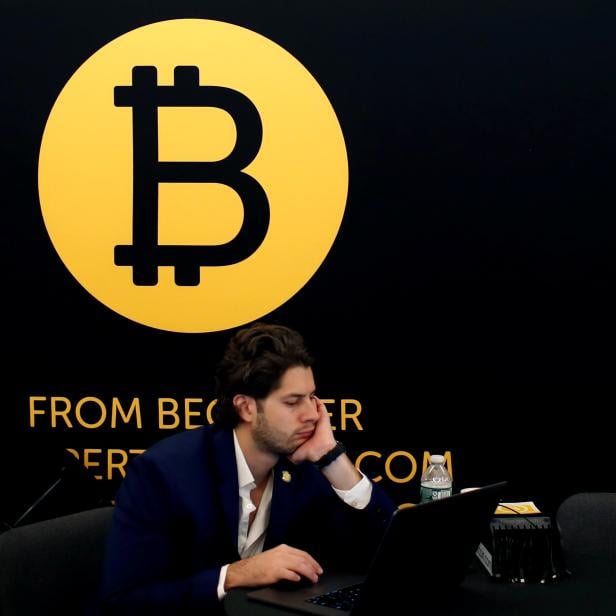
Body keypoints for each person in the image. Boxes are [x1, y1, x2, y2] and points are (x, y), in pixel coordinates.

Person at [99, 322, 396, 614]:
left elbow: (385, 557)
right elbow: (125, 602)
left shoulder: (304, 467)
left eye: (312, 397)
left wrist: (331, 457)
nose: (312, 414)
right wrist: (232, 575)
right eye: (293, 402)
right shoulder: (163, 473)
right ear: (246, 407)